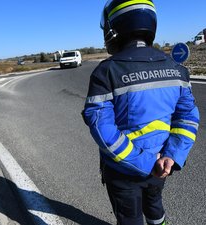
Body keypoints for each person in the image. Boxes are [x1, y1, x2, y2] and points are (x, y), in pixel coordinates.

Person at [82, 1, 199, 225]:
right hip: (162, 166)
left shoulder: (107, 72)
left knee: (130, 219)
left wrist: (144, 161)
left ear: (113, 28)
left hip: (124, 169)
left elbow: (102, 129)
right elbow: (188, 118)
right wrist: (172, 156)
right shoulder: (177, 69)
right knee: (155, 207)